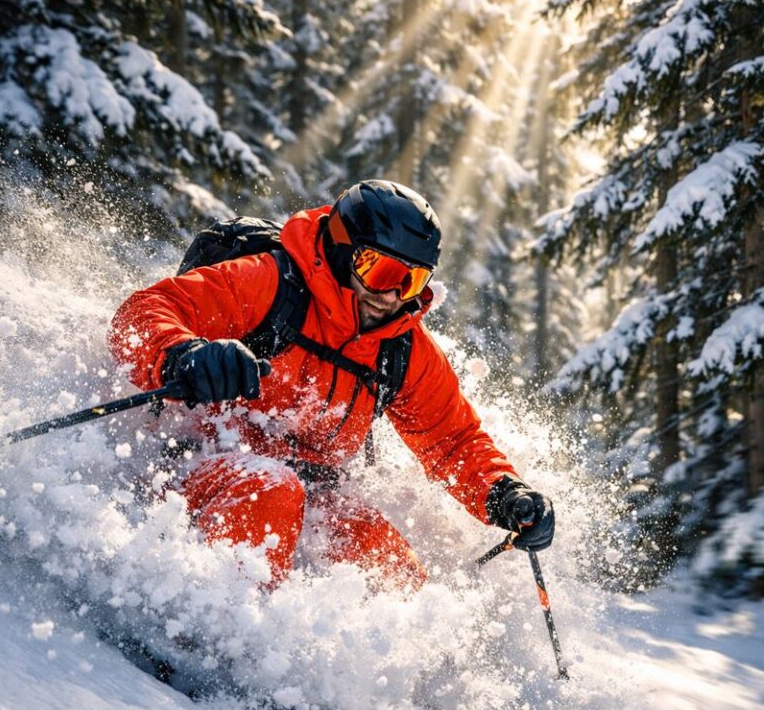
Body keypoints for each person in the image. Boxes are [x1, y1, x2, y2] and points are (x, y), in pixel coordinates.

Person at [109, 179, 554, 590]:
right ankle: (205, 638)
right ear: (342, 249)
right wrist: (181, 354)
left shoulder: (401, 348)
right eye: (380, 271)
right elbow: (147, 309)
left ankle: (360, 674)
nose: (391, 295)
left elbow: (452, 441)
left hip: (311, 499)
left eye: (411, 279)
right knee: (273, 489)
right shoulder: (272, 284)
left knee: (390, 563)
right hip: (190, 473)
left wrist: (505, 492)